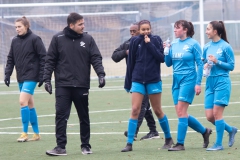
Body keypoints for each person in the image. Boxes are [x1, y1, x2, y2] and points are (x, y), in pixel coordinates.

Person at [44, 12, 106, 156]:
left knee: (83, 116)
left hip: (81, 85)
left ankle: (86, 146)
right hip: (63, 85)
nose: (83, 26)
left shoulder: (88, 39)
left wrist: (101, 74)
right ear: (71, 25)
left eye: (83, 23)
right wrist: (47, 79)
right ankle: (60, 147)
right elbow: (50, 60)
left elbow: (95, 57)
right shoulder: (57, 38)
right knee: (60, 115)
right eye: (80, 24)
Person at [121, 20, 174, 152]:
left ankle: (168, 138)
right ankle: (129, 143)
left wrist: (149, 45)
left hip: (153, 80)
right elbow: (131, 63)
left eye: (148, 29)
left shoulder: (156, 40)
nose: (146, 32)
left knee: (157, 110)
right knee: (134, 109)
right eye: (143, 29)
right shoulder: (134, 41)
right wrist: (128, 83)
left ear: (150, 29)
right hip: (137, 80)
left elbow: (161, 58)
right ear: (139, 30)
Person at [164, 20, 212, 151]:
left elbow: (200, 64)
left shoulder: (193, 44)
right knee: (181, 113)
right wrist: (166, 51)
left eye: (177, 28)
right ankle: (204, 131)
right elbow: (168, 64)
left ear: (185, 30)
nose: (174, 30)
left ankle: (180, 143)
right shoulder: (173, 43)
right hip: (176, 80)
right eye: (174, 28)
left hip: (189, 80)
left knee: (181, 112)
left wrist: (198, 83)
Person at [112, 22, 159, 141]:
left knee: (141, 106)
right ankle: (153, 130)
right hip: (135, 78)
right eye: (131, 32)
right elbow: (114, 56)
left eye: (134, 31)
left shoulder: (151, 41)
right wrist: (126, 52)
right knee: (145, 105)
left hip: (147, 79)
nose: (132, 33)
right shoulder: (129, 43)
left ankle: (134, 132)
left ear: (140, 30)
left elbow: (160, 57)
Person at [4, 16, 46, 142]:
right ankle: (37, 133)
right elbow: (10, 59)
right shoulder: (14, 41)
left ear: (26, 26)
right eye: (15, 27)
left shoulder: (35, 39)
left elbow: (44, 57)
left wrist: (42, 75)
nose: (17, 29)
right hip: (21, 76)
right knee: (29, 104)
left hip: (31, 76)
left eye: (19, 27)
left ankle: (24, 133)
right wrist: (7, 74)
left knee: (22, 102)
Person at [203, 21, 237, 151]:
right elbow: (204, 61)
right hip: (210, 82)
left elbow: (231, 66)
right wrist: (206, 65)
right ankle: (230, 129)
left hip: (222, 82)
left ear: (215, 31)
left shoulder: (225, 46)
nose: (206, 32)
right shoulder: (206, 46)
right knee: (210, 116)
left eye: (208, 29)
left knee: (217, 114)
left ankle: (218, 144)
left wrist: (217, 61)